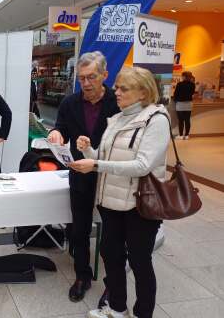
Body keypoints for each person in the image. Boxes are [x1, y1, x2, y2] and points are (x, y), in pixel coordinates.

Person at [71, 67, 170, 318]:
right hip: (111, 202)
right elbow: (104, 158)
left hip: (140, 205)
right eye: (117, 87)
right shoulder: (117, 119)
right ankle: (116, 308)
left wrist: (95, 165)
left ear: (143, 92)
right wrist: (88, 151)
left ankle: (142, 313)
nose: (116, 92)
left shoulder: (156, 119)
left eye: (123, 88)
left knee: (139, 262)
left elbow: (142, 165)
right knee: (111, 257)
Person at [47, 51, 120, 304]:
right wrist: (56, 133)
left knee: (112, 235)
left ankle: (114, 285)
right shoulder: (70, 103)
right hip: (79, 175)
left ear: (105, 75)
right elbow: (61, 127)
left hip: (111, 177)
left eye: (92, 77)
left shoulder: (118, 101)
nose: (86, 83)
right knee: (79, 229)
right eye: (82, 78)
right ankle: (82, 275)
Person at [173, 71, 195, 140]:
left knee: (181, 120)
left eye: (182, 76)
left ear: (184, 76)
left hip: (180, 104)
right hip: (189, 104)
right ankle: (187, 135)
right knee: (187, 120)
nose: (181, 77)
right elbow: (192, 93)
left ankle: (181, 135)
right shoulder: (192, 84)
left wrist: (175, 99)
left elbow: (176, 94)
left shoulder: (179, 84)